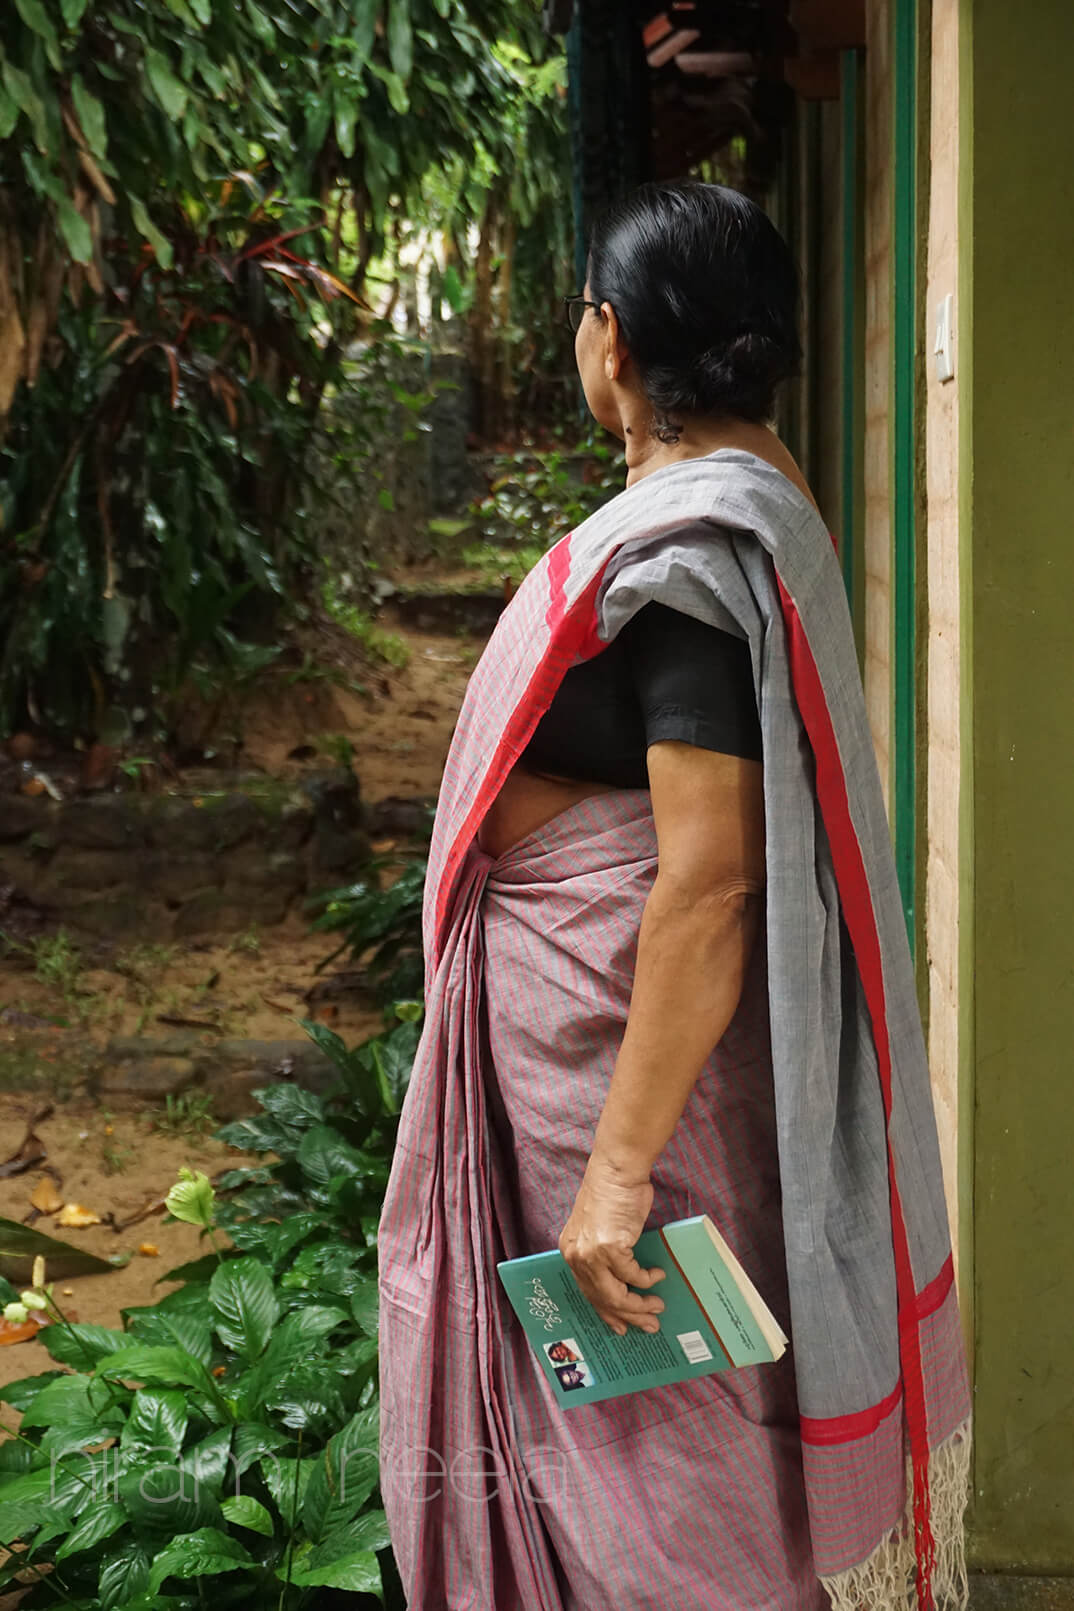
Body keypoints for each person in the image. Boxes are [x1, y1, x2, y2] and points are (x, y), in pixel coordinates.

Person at [378, 182, 971, 1611]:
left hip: (626, 1068)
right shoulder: (740, 516)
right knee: (630, 1418)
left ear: (613, 338)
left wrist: (617, 1173)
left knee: (650, 1431)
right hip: (595, 1037)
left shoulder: (693, 561)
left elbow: (706, 885)